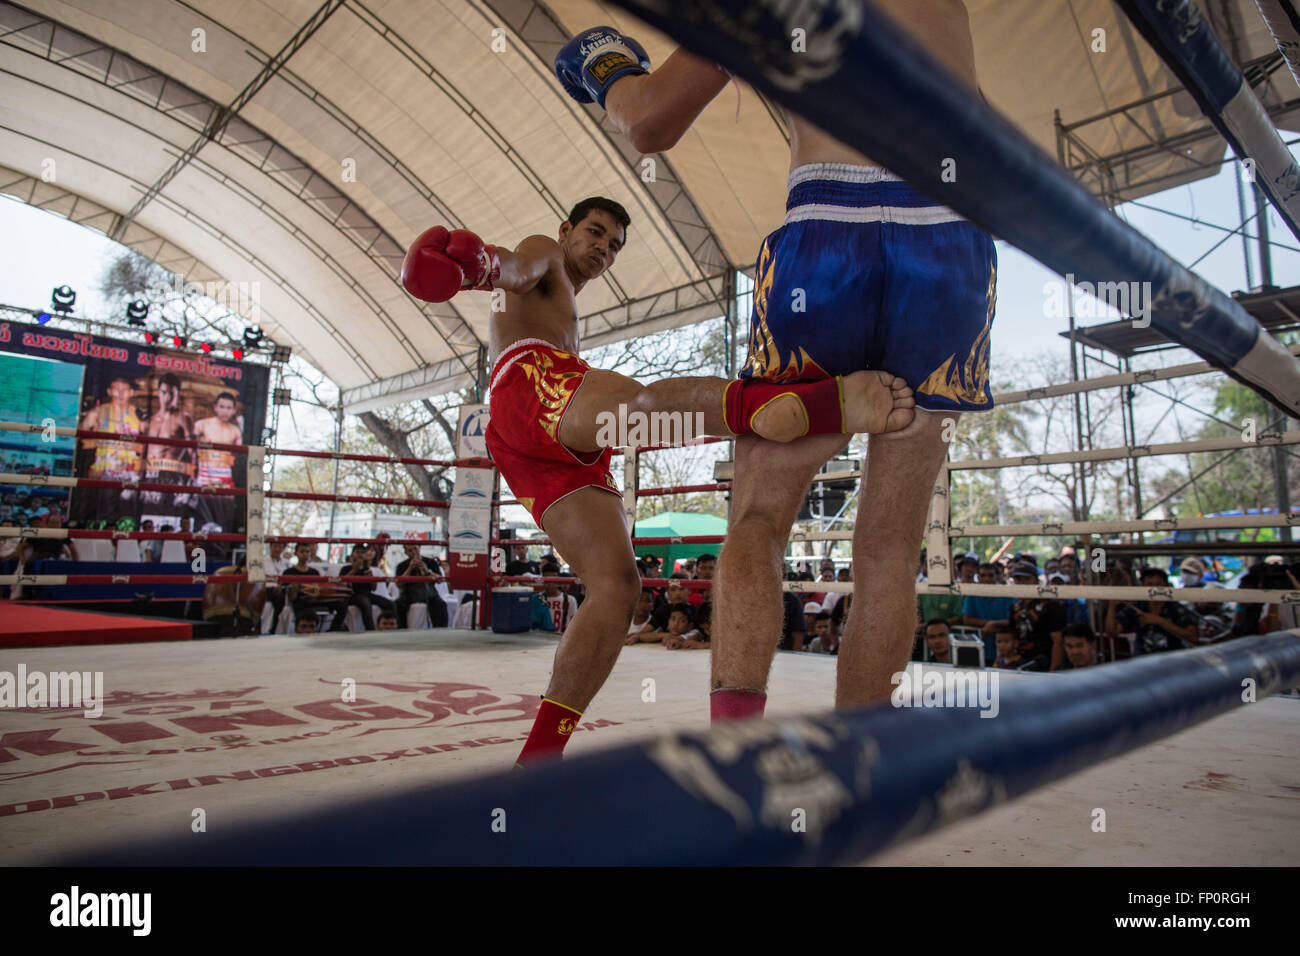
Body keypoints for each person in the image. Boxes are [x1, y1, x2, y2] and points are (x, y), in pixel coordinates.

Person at [402, 193, 915, 764]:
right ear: (566, 229)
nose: (604, 248)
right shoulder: (543, 253)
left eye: (615, 245)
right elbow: (515, 267)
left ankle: (539, 758)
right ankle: (801, 406)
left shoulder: (564, 301)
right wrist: (481, 267)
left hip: (535, 442)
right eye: (595, 233)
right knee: (642, 403)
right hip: (529, 385)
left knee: (617, 589)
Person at [77, 375, 144, 519]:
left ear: (131, 393)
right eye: (116, 389)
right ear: (109, 391)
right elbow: (80, 436)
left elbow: (149, 443)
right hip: (104, 471)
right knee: (102, 511)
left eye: (124, 390)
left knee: (127, 513)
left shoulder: (137, 414)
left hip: (129, 472)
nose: (120, 394)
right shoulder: (99, 412)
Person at [190, 392, 243, 542]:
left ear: (233, 410)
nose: (225, 411)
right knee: (201, 520)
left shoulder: (235, 431)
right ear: (215, 407)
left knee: (223, 517)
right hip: (205, 474)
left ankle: (219, 552)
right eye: (222, 407)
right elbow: (190, 450)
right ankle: (196, 555)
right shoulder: (202, 425)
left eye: (228, 408)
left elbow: (237, 457)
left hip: (224, 476)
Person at [142, 373, 196, 511]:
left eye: (171, 394)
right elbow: (143, 452)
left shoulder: (183, 418)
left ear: (177, 394)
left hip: (172, 475)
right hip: (149, 474)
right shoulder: (150, 421)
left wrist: (191, 481)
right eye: (164, 393)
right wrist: (136, 478)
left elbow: (193, 451)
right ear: (158, 393)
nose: (167, 398)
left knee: (169, 518)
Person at [395, 544, 442, 628]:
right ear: (406, 552)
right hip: (409, 593)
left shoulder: (431, 562)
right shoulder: (401, 565)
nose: (413, 552)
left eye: (415, 549)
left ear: (419, 548)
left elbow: (440, 580)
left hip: (429, 592)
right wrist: (409, 568)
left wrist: (427, 571)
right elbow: (398, 584)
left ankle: (440, 630)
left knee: (440, 604)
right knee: (398, 605)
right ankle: (401, 630)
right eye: (410, 550)